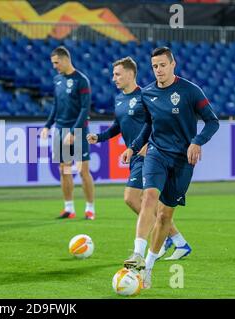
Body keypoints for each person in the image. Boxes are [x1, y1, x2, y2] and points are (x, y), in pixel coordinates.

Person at [121, 47, 219, 289]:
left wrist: (197, 142)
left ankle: (149, 267)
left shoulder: (190, 91)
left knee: (165, 215)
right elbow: (147, 125)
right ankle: (137, 253)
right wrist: (133, 148)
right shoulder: (148, 93)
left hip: (182, 161)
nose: (159, 70)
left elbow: (212, 121)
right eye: (155, 66)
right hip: (156, 153)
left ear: (173, 65)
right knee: (149, 198)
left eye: (163, 65)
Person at [87, 57, 192, 260]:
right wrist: (98, 137)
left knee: (132, 198)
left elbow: (155, 123)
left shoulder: (147, 95)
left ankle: (162, 239)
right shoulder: (119, 100)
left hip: (150, 154)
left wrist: (147, 145)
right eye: (113, 74)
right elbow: (117, 126)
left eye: (117, 74)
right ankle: (177, 240)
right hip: (134, 156)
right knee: (147, 203)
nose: (114, 78)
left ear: (130, 74)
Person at [40, 46, 95, 220]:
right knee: (64, 170)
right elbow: (56, 106)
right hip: (60, 129)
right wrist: (48, 125)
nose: (54, 66)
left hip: (77, 130)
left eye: (56, 62)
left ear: (65, 59)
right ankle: (69, 208)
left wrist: (73, 131)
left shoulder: (81, 80)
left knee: (82, 171)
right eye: (53, 63)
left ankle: (90, 208)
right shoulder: (57, 80)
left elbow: (85, 109)